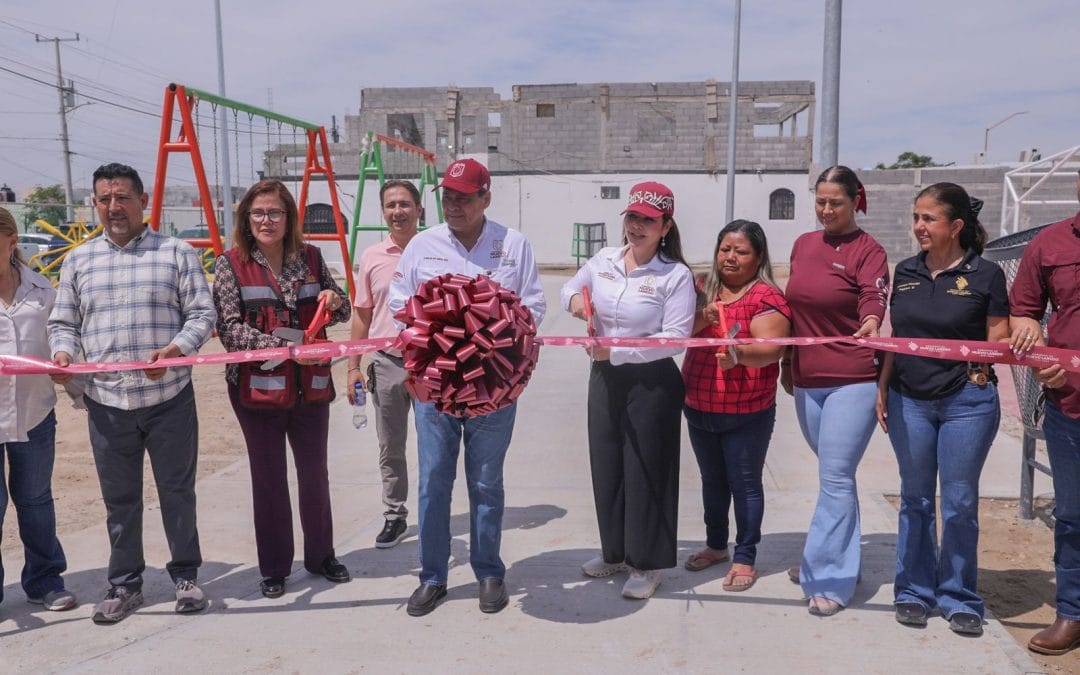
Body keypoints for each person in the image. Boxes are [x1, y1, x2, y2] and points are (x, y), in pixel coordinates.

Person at [48, 163, 216, 624]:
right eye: (104, 199)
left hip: (169, 399)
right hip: (107, 403)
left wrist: (177, 349)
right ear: (95, 204)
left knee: (177, 490)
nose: (113, 207)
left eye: (122, 197)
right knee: (119, 499)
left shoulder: (176, 253)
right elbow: (64, 323)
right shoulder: (79, 260)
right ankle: (125, 585)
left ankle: (186, 576)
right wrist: (63, 356)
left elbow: (203, 315)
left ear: (143, 200)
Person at [387, 158, 545, 616]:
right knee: (434, 482)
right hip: (434, 391)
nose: (454, 205)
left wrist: (498, 349)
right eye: (448, 197)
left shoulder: (513, 246)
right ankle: (432, 576)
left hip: (494, 390)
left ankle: (489, 571)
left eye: (465, 197)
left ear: (486, 198)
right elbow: (402, 307)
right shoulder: (422, 245)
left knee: (486, 482)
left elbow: (532, 306)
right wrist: (417, 370)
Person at [876, 183, 1008, 637]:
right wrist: (882, 386)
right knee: (914, 500)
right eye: (916, 217)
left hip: (966, 404)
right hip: (908, 399)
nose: (918, 226)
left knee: (959, 503)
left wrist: (1018, 342)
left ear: (955, 226)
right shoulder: (906, 270)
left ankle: (958, 595)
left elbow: (998, 343)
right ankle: (913, 591)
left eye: (928, 219)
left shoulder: (987, 275)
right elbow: (898, 336)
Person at [213, 179, 351, 599]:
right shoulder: (230, 264)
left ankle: (321, 555)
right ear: (245, 219)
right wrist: (287, 349)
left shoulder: (310, 258)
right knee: (268, 479)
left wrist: (332, 296)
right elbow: (230, 331)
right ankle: (274, 567)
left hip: (311, 388)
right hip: (257, 393)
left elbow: (341, 308)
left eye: (275, 212)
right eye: (258, 213)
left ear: (289, 218)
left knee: (315, 475)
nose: (266, 220)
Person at [561, 181, 695, 600]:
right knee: (608, 464)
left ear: (665, 226)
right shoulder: (603, 260)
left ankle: (647, 562)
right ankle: (615, 552)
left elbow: (675, 339)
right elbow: (569, 289)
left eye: (648, 220)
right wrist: (577, 304)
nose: (637, 227)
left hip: (652, 382)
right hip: (604, 379)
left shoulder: (675, 275)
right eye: (633, 217)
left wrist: (613, 352)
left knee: (646, 470)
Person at [782, 165, 889, 616]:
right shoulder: (804, 245)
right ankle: (840, 555)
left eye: (836, 203)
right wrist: (787, 360)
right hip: (807, 380)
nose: (826, 210)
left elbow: (873, 295)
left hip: (853, 378)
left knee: (836, 477)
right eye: (821, 201)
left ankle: (828, 577)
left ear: (855, 201)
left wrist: (871, 321)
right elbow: (793, 308)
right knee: (833, 476)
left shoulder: (869, 250)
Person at [681, 220, 791, 591]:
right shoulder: (701, 289)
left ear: (758, 256)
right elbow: (679, 330)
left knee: (744, 484)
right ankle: (716, 546)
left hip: (747, 412)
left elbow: (771, 350)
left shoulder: (766, 298)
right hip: (698, 405)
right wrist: (702, 316)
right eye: (725, 249)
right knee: (712, 481)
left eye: (740, 251)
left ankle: (745, 556)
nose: (730, 257)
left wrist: (739, 354)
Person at [1012, 170, 1080, 655]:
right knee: (1073, 515)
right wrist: (1040, 361)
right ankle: (1072, 613)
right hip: (1070, 406)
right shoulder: (1049, 244)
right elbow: (1024, 314)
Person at [0, 207, 77, 613]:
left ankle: (45, 580)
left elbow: (61, 341)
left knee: (35, 500)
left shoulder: (43, 293)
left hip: (34, 413)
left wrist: (66, 370)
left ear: (12, 242)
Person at [346, 180, 421, 549]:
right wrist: (352, 367)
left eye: (405, 204)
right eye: (391, 205)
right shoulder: (373, 257)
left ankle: (437, 512)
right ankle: (395, 514)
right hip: (387, 364)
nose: (398, 211)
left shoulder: (436, 250)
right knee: (391, 444)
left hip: (430, 364)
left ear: (419, 210)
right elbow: (362, 314)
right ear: (383, 212)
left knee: (437, 445)